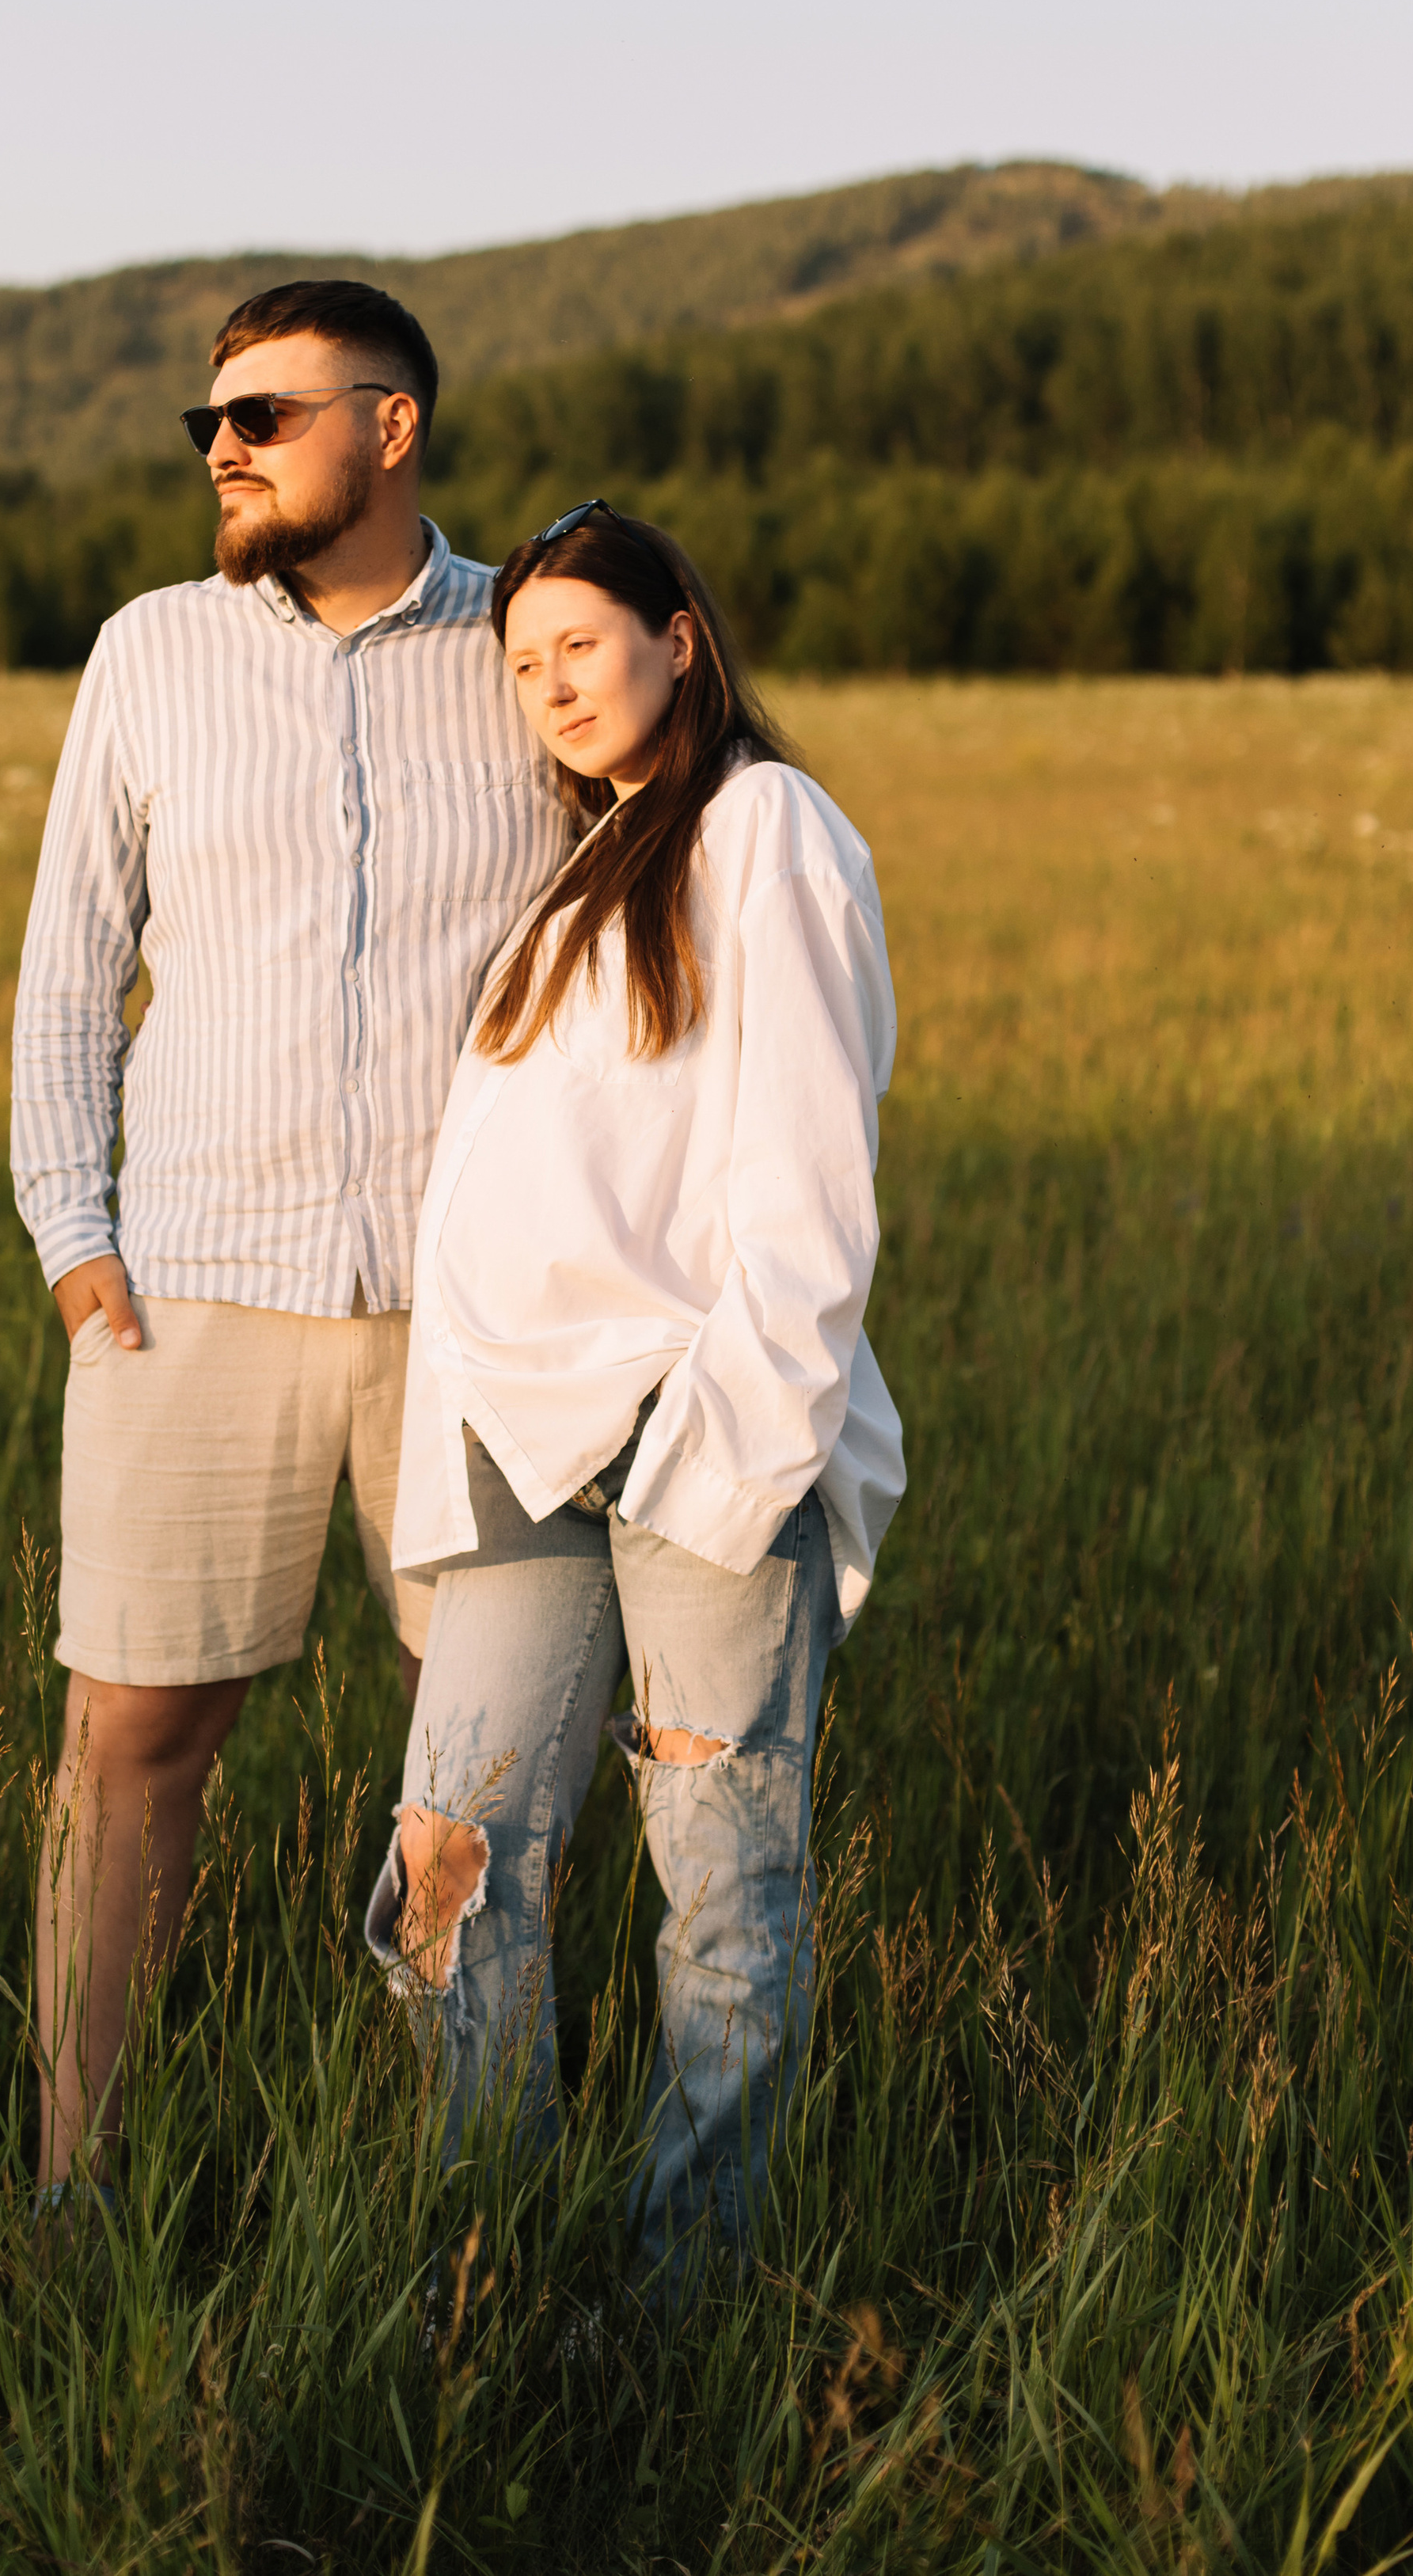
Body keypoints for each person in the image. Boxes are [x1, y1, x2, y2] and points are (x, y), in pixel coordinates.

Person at [10, 280, 568, 2186]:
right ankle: (73, 2186)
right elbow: (70, 971)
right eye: (209, 422)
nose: (221, 448)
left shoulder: (518, 643)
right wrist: (71, 1235)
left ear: (390, 424)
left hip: (467, 1310)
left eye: (261, 414)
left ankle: (472, 2185)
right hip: (186, 1293)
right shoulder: (150, 651)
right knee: (132, 1736)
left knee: (472, 1757)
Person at [365, 497, 904, 2277]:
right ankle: (486, 2261)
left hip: (690, 1431)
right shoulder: (582, 865)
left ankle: (690, 2298)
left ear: (679, 636)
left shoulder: (763, 828)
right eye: (523, 663)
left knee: (722, 1892)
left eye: (579, 644)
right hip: (515, 1436)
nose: (550, 685)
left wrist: (730, 1457)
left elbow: (809, 1185)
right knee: (448, 1861)